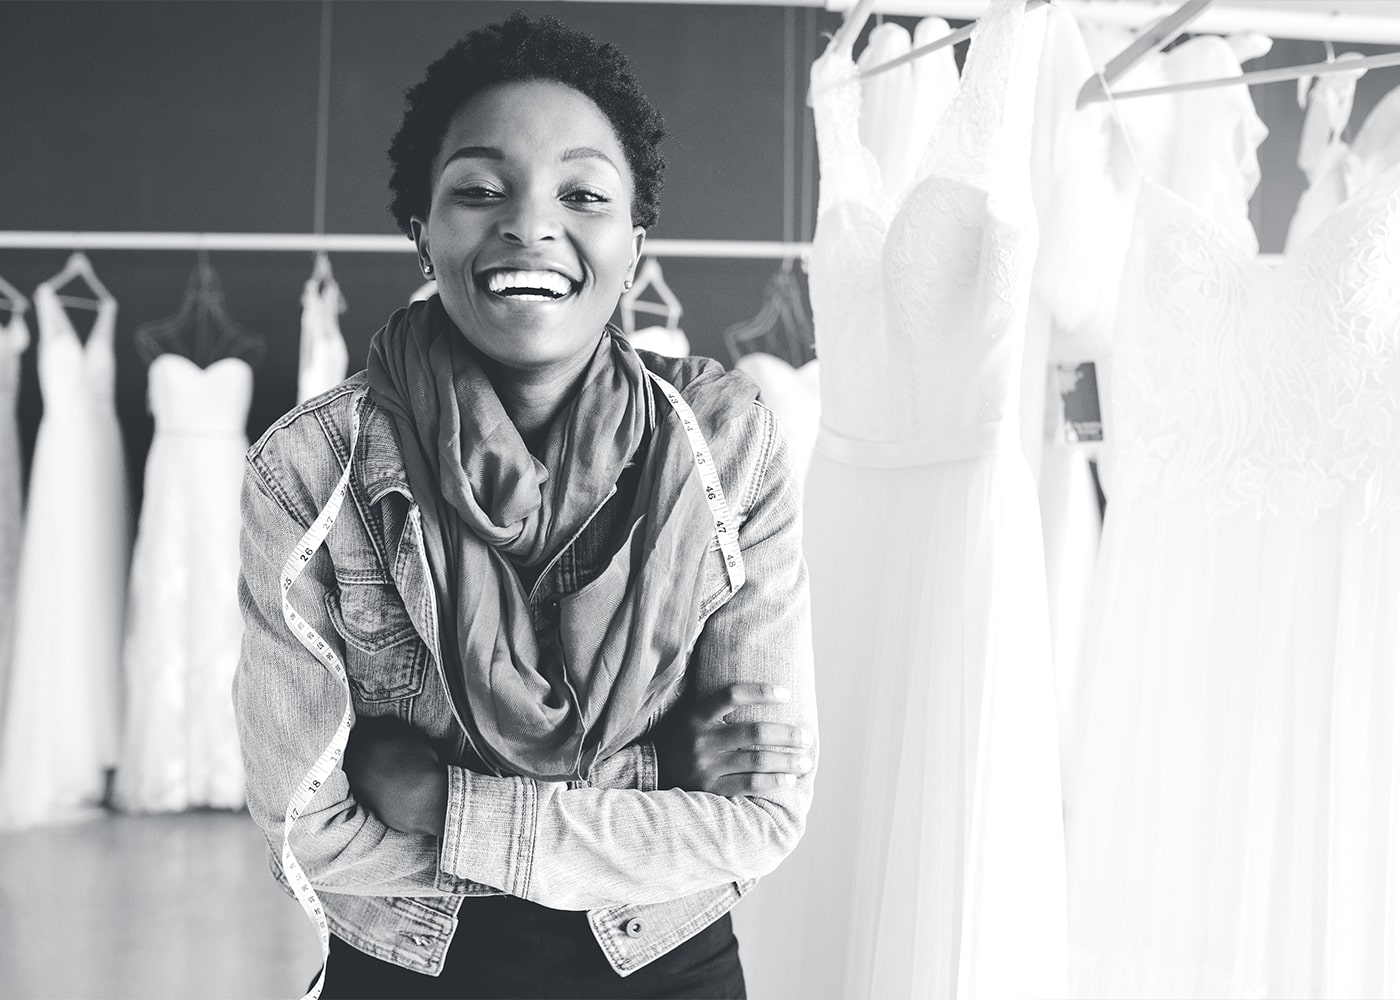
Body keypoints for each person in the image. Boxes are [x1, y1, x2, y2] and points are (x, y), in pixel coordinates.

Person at [232, 12, 817, 1000]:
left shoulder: (724, 443)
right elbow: (306, 822)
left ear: (634, 241)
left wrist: (446, 804)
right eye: (476, 190)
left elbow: (758, 816)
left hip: (663, 963)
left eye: (581, 192)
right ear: (421, 229)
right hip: (409, 964)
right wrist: (624, 816)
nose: (529, 224)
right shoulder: (309, 464)